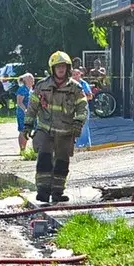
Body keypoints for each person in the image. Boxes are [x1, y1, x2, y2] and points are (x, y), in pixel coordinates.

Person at [22, 52, 87, 203]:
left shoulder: (75, 88)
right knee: (44, 160)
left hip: (65, 132)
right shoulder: (42, 86)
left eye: (63, 66)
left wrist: (78, 123)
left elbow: (82, 107)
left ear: (68, 68)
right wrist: (27, 125)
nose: (61, 69)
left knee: (62, 163)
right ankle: (43, 191)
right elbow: (32, 107)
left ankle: (58, 192)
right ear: (53, 69)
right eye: (58, 67)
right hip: (45, 130)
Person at [72, 67, 93, 148]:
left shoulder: (84, 84)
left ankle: (85, 145)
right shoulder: (70, 84)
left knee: (83, 127)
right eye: (73, 75)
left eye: (77, 74)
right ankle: (77, 145)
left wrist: (80, 99)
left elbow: (90, 96)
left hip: (83, 108)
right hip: (73, 108)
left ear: (80, 75)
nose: (75, 76)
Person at [15, 73, 35, 154]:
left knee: (30, 130)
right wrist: (25, 110)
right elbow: (19, 102)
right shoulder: (22, 89)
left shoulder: (30, 89)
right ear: (25, 80)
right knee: (23, 130)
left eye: (32, 77)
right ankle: (22, 150)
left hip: (31, 113)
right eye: (30, 77)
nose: (32, 79)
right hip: (23, 113)